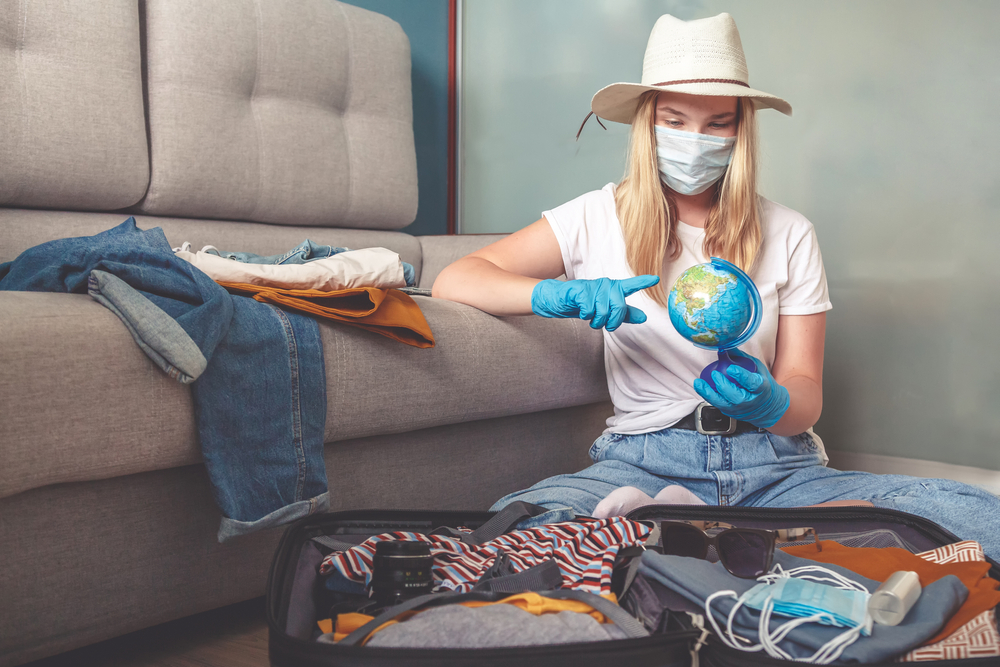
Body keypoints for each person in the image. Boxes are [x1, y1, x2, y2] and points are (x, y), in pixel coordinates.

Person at [432, 13, 1000, 558]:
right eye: (674, 120)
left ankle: (698, 534)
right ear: (647, 122)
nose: (694, 139)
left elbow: (803, 395)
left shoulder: (790, 232)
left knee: (972, 515)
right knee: (518, 529)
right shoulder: (593, 217)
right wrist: (553, 296)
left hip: (777, 469)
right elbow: (457, 279)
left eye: (716, 124)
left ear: (740, 130)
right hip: (643, 462)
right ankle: (745, 540)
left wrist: (772, 401)